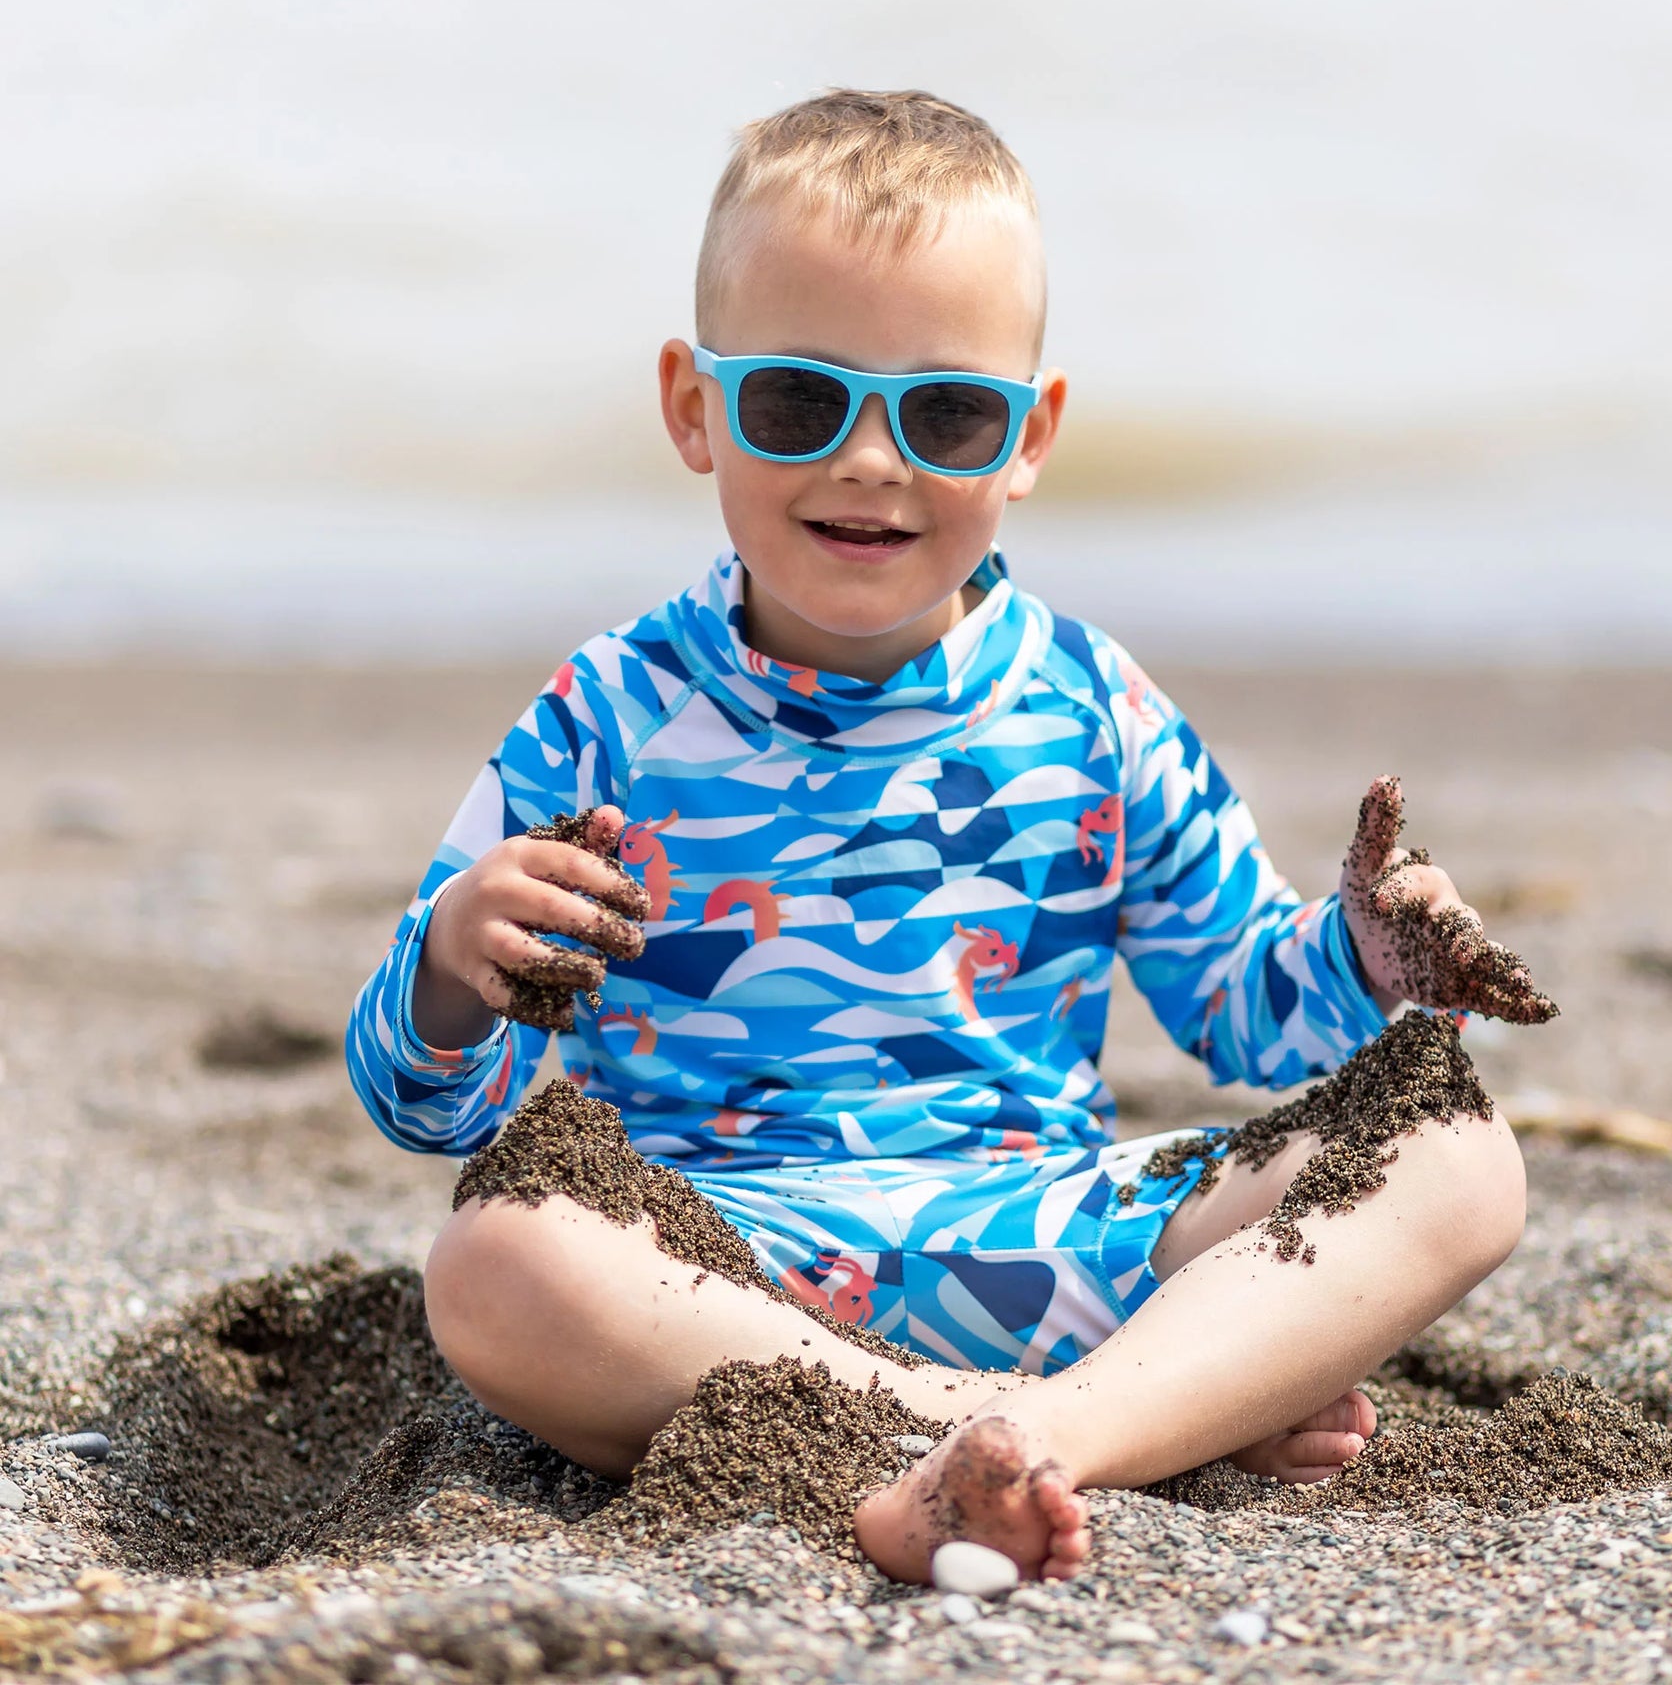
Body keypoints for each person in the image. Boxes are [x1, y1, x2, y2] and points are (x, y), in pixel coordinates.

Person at [345, 88, 1548, 1584]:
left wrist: (1364, 953)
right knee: (496, 1257)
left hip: (1052, 1235)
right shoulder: (604, 718)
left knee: (1454, 1150)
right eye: (801, 402)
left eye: (947, 413)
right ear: (695, 407)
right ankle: (1109, 1422)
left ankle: (1042, 1431)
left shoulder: (1093, 708)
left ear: (1028, 437)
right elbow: (428, 1107)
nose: (870, 459)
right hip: (725, 1269)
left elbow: (1244, 1007)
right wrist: (454, 968)